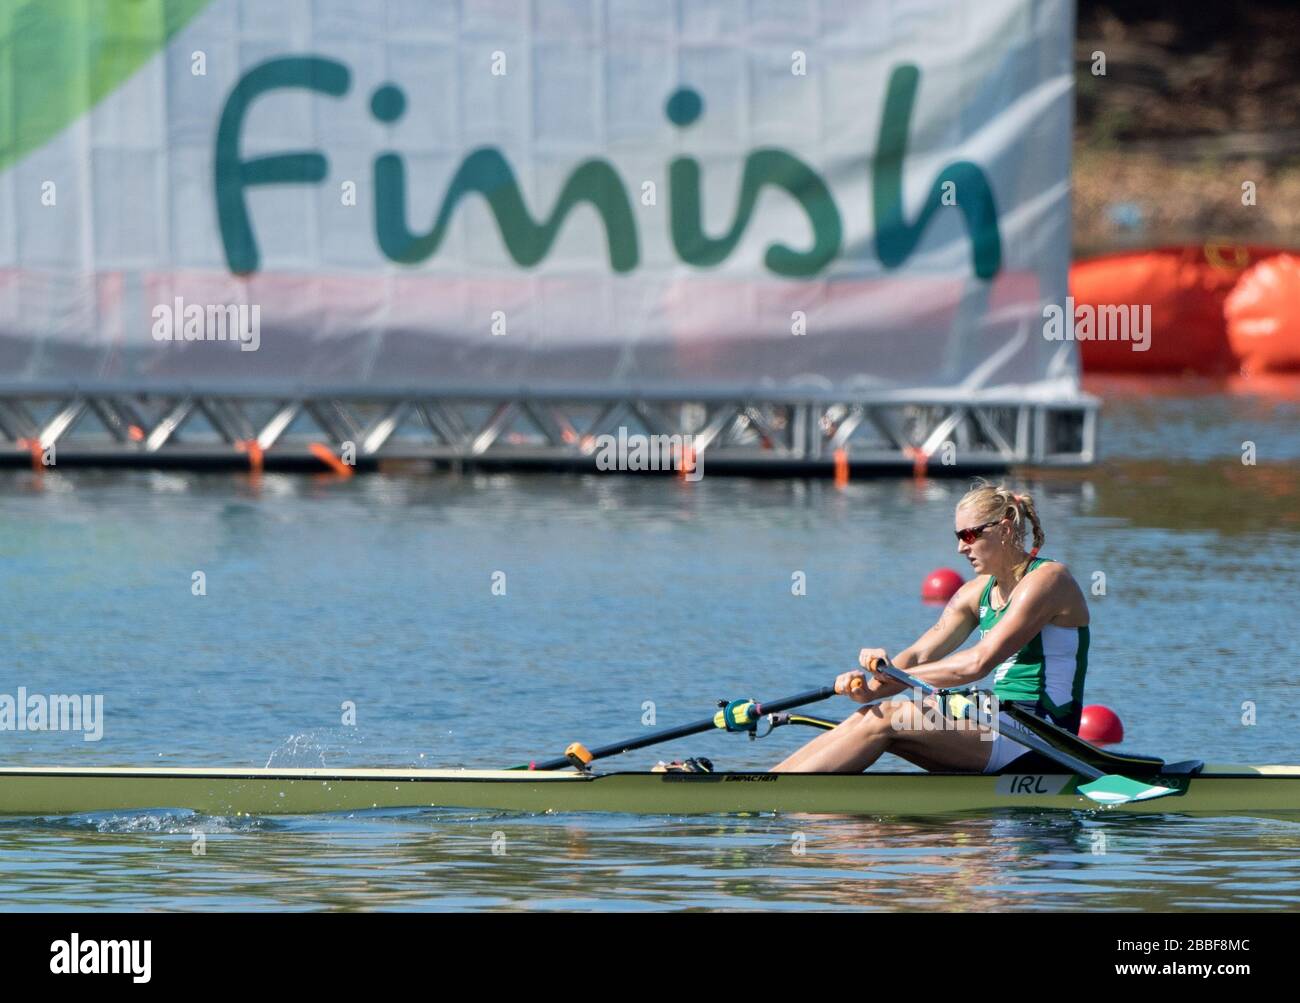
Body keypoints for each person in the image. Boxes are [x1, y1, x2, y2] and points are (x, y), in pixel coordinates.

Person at [772, 482, 1090, 774]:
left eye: (969, 535)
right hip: (999, 719)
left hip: (1042, 736)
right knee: (870, 715)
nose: (960, 548)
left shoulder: (1049, 580)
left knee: (888, 719)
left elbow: (978, 663)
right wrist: (872, 685)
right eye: (957, 537)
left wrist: (898, 679)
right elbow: (920, 654)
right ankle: (767, 782)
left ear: (1004, 529)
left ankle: (776, 798)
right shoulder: (975, 592)